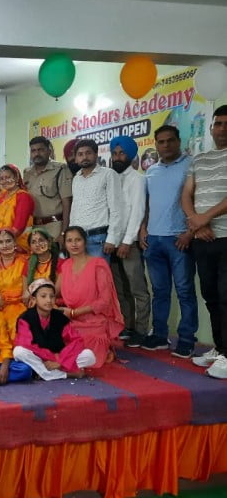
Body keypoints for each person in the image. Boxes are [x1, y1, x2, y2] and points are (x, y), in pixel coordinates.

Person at [138, 125, 198, 357]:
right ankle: (160, 336)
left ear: (178, 141)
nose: (166, 145)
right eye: (161, 142)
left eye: (170, 140)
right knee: (160, 291)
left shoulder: (191, 165)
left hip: (179, 239)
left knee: (184, 291)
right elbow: (147, 204)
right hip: (153, 240)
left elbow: (198, 201)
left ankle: (187, 339)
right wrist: (143, 228)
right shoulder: (151, 171)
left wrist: (190, 231)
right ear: (156, 145)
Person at [182, 105, 227, 378]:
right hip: (203, 238)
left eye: (226, 124)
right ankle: (220, 348)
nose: (222, 129)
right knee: (210, 295)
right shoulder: (199, 160)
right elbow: (187, 194)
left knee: (226, 296)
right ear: (211, 128)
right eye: (218, 123)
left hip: (225, 236)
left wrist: (203, 218)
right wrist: (195, 222)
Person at [56, 227, 124, 367]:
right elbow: (54, 293)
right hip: (70, 321)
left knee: (84, 356)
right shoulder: (66, 265)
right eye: (69, 240)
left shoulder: (98, 264)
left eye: (78, 240)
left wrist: (74, 312)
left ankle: (104, 349)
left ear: (85, 242)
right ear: (65, 244)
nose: (74, 244)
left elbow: (104, 301)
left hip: (93, 322)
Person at [108, 136, 151, 347]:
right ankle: (128, 325)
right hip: (112, 241)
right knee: (120, 289)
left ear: (131, 155)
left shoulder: (137, 179)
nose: (117, 157)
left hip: (129, 243)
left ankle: (142, 330)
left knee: (137, 288)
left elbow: (138, 212)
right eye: (114, 153)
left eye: (122, 153)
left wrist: (127, 241)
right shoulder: (110, 178)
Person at [13, 279, 96, 380]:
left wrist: (59, 361)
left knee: (89, 355)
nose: (48, 300)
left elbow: (77, 340)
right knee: (18, 351)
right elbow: (25, 344)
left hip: (59, 359)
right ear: (34, 299)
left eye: (51, 296)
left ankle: (43, 373)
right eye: (43, 296)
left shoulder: (60, 318)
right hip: (39, 358)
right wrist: (50, 358)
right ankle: (65, 374)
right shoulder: (25, 318)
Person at [69, 139, 125, 262]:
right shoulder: (76, 179)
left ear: (96, 154)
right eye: (80, 154)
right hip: (77, 239)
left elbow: (116, 208)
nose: (84, 157)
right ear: (76, 159)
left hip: (98, 239)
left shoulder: (108, 174)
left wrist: (112, 238)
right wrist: (70, 236)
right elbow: (75, 208)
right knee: (80, 274)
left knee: (98, 274)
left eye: (88, 153)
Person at [24, 136, 72, 245]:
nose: (37, 153)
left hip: (55, 228)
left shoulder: (60, 169)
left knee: (55, 255)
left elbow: (67, 203)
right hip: (34, 229)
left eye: (41, 150)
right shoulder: (27, 173)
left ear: (49, 151)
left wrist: (64, 232)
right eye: (33, 151)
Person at [0, 228, 28, 340]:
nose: (5, 245)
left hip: (22, 306)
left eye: (8, 241)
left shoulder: (24, 261)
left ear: (15, 243)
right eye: (1, 242)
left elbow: (27, 291)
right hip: (1, 306)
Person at [0, 164, 34, 254]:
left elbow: (19, 226)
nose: (5, 181)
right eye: (1, 178)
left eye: (8, 177)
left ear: (17, 177)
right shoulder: (0, 197)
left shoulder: (23, 196)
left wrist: (4, 243)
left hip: (17, 244)